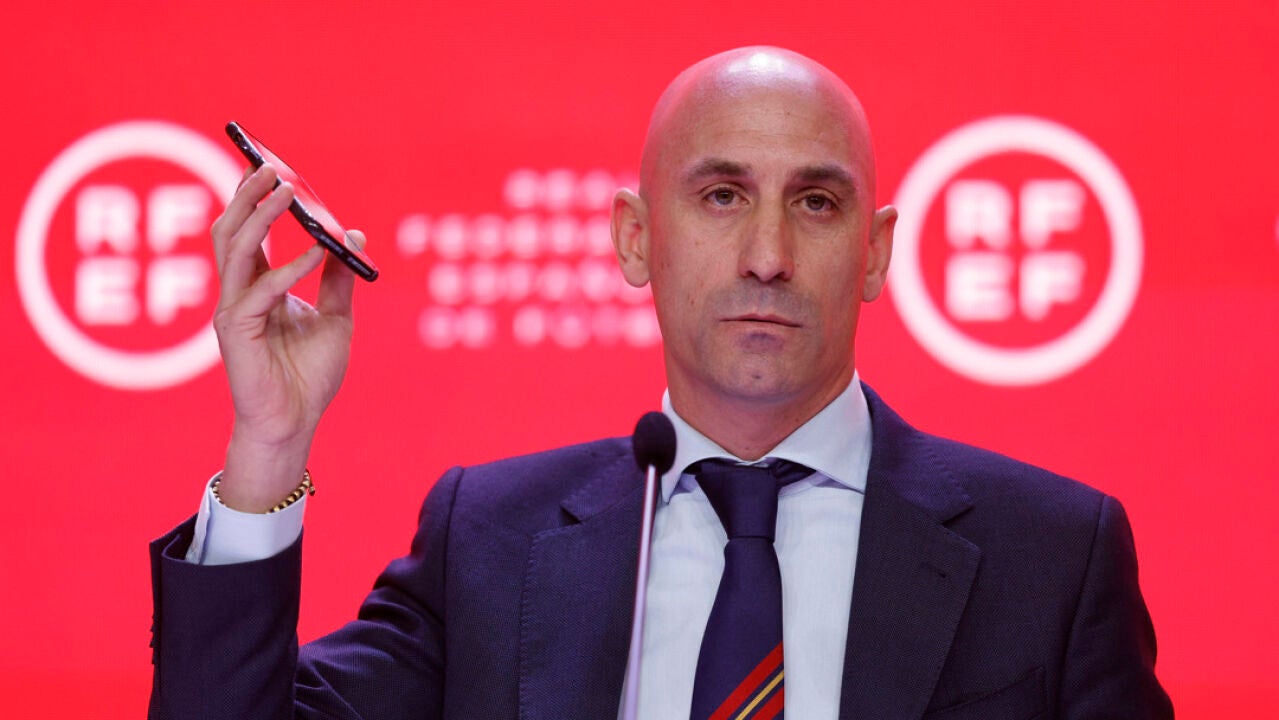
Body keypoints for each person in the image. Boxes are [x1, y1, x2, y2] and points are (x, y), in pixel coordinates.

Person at [148, 47, 1173, 719]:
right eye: (721, 196)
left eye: (815, 204)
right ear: (635, 238)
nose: (767, 256)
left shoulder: (1054, 554)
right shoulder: (489, 544)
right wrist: (269, 449)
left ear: (873, 252)